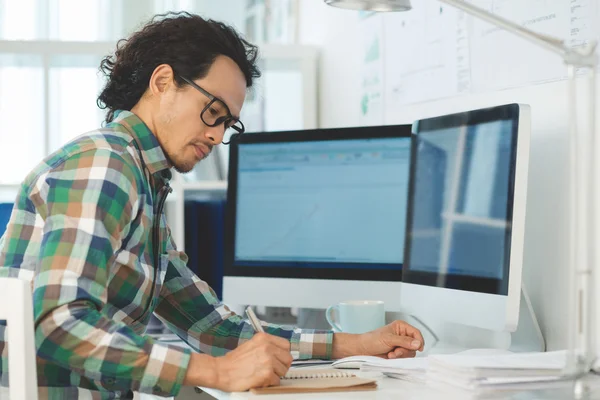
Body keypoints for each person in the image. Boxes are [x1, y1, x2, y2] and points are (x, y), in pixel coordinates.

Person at [0, 12, 424, 399]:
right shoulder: (105, 163)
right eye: (213, 112)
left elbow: (210, 326)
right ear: (163, 81)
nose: (218, 137)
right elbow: (57, 324)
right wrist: (216, 373)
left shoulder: (145, 182)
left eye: (228, 123)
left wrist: (355, 344)